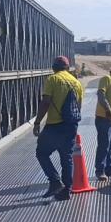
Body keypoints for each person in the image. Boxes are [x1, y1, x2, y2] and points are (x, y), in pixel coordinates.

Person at [33, 56, 84, 201]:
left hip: (55, 125)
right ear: (67, 67)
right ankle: (66, 190)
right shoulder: (76, 82)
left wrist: (37, 122)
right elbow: (78, 107)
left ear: (54, 67)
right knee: (66, 157)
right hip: (71, 125)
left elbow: (46, 102)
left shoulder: (53, 79)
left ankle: (55, 182)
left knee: (42, 153)